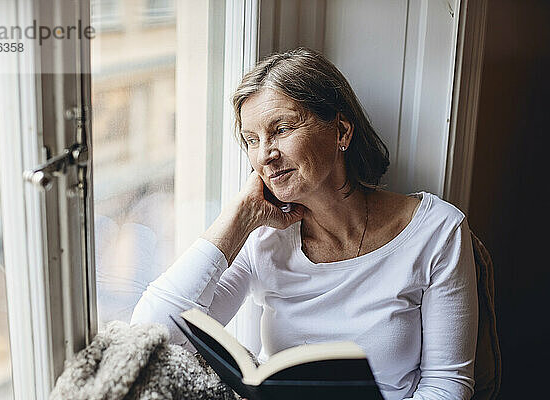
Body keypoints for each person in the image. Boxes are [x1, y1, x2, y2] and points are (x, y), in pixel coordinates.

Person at [131, 47, 478, 400]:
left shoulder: (437, 232)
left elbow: (447, 384)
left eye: (280, 129)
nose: (265, 154)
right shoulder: (263, 238)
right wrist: (237, 218)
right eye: (252, 140)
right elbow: (151, 336)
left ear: (341, 131)